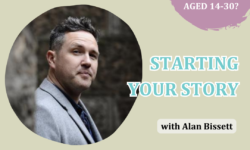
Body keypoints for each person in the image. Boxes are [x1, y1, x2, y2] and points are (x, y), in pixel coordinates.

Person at [35, 16, 102, 145]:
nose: (88, 62)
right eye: (76, 51)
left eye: (93, 55)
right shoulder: (42, 111)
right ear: (52, 59)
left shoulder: (75, 106)